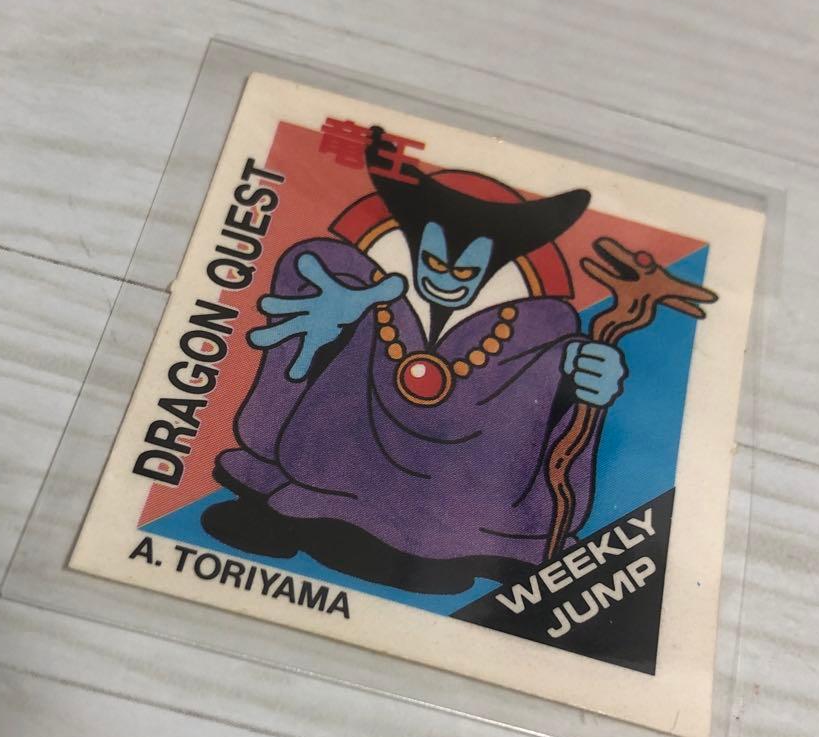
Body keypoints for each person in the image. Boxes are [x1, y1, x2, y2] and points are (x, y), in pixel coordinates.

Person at [203, 129, 626, 592]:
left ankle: (446, 548)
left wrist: (583, 378)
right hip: (336, 476)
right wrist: (327, 319)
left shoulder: (534, 329)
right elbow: (317, 271)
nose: (446, 281)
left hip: (458, 503)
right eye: (435, 263)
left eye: (466, 272)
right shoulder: (368, 289)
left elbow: (561, 374)